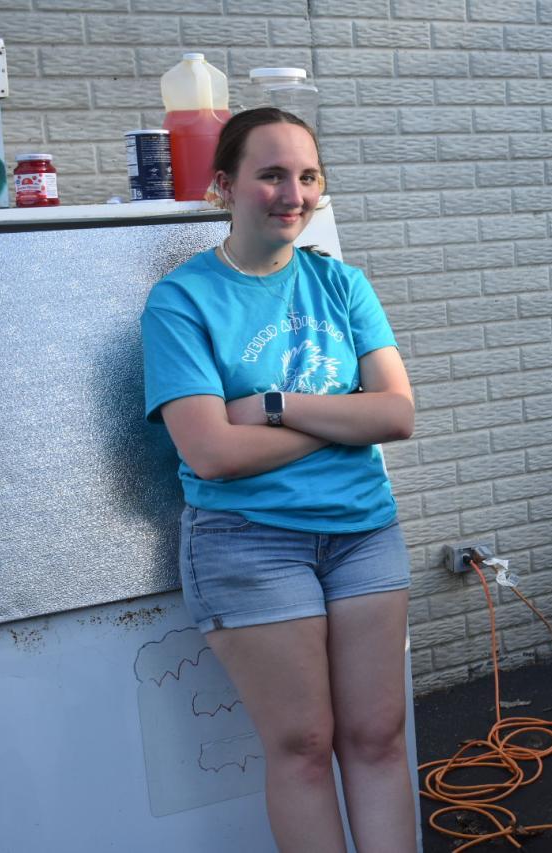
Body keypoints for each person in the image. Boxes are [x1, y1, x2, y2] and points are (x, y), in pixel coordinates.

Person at [140, 107, 417, 853]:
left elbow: (397, 414)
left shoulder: (342, 284)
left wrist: (273, 406)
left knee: (379, 735)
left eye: (307, 176)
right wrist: (345, 414)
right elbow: (212, 454)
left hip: (364, 532)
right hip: (248, 542)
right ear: (224, 186)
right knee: (303, 745)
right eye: (270, 175)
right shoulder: (181, 301)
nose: (292, 194)